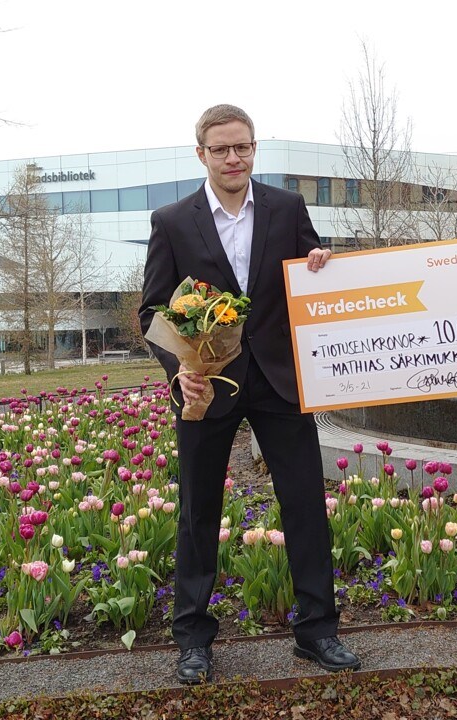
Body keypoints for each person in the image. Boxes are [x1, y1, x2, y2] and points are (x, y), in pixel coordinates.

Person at [139, 104, 361, 685]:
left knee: (307, 506)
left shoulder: (287, 209)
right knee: (197, 513)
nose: (233, 158)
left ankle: (318, 632)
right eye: (221, 149)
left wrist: (321, 262)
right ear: (201, 155)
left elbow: (311, 279)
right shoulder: (171, 221)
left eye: (242, 147)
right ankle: (192, 640)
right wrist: (176, 371)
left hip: (280, 382)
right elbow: (151, 312)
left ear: (254, 149)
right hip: (204, 387)